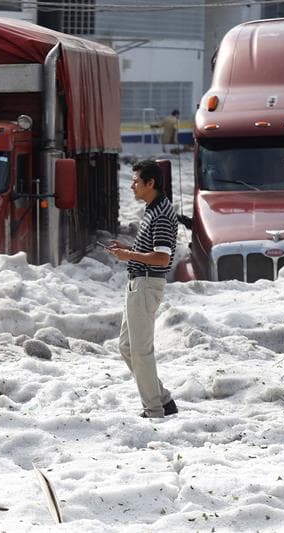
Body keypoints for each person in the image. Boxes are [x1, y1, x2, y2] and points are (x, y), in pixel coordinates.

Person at [105, 160, 178, 418]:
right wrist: (126, 249)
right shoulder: (153, 209)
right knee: (126, 347)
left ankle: (154, 409)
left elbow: (162, 258)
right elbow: (151, 251)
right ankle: (163, 399)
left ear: (151, 183)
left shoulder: (160, 214)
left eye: (136, 181)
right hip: (139, 282)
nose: (132, 185)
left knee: (141, 350)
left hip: (147, 283)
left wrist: (127, 255)